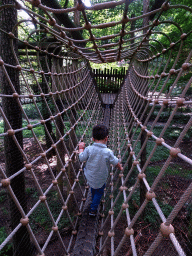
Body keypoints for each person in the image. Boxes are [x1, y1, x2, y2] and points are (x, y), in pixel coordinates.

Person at [78, 124, 123, 217]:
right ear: (106, 139)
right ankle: (93, 210)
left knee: (94, 187)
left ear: (93, 139)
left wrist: (81, 148)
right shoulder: (108, 152)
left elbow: (81, 158)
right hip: (101, 177)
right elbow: (115, 161)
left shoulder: (88, 149)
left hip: (89, 176)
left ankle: (93, 197)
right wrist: (119, 167)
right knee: (99, 192)